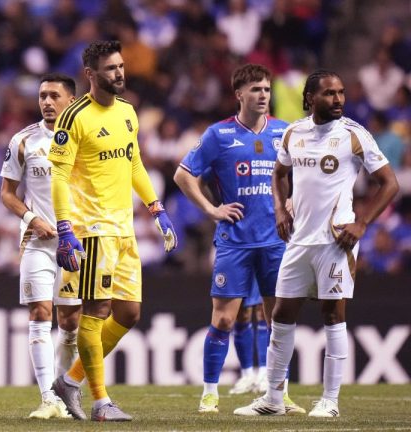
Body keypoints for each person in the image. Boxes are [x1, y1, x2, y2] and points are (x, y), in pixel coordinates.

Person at [235, 70, 399, 417]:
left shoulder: (354, 135)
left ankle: (330, 401)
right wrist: (280, 207)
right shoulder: (294, 133)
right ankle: (274, 399)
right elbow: (279, 173)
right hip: (298, 240)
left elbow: (389, 183)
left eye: (340, 93)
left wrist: (362, 222)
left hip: (335, 241)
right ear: (310, 98)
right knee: (281, 314)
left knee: (332, 315)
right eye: (329, 94)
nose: (338, 99)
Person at [47, 40, 177, 422]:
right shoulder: (74, 117)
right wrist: (65, 228)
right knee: (96, 310)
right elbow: (58, 175)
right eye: (110, 68)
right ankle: (101, 401)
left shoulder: (128, 113)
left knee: (130, 313)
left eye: (121, 67)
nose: (119, 73)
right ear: (90, 74)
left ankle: (70, 381)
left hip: (125, 228)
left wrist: (156, 208)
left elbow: (134, 162)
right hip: (92, 229)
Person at [174, 63, 304, 414]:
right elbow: (183, 175)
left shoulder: (285, 132)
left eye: (266, 89)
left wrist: (294, 198)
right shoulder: (218, 135)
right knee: (224, 320)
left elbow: (302, 173)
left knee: (279, 319)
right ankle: (210, 392)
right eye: (256, 90)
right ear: (239, 95)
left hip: (277, 240)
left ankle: (280, 393)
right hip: (235, 241)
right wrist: (211, 209)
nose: (263, 95)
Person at [0, 73, 82, 419]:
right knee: (39, 313)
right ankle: (48, 397)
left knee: (71, 322)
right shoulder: (24, 140)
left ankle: (64, 391)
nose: (47, 102)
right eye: (42, 96)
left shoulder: (86, 140)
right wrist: (32, 219)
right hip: (38, 241)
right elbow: (7, 193)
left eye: (54, 96)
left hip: (76, 243)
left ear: (71, 101)